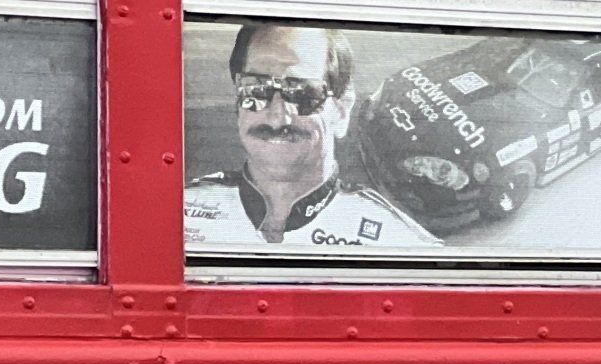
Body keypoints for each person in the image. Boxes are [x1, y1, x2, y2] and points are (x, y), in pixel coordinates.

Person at [184, 24, 440, 248]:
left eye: (302, 93)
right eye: (256, 90)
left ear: (342, 110)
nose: (277, 118)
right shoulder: (175, 214)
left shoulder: (400, 243)